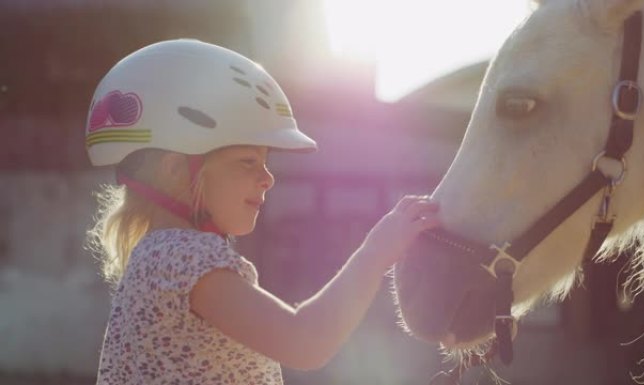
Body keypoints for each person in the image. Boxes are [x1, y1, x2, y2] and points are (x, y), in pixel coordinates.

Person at [86, 39, 440, 385]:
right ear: (176, 170)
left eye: (265, 163)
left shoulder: (158, 256)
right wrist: (377, 251)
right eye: (247, 162)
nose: (267, 178)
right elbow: (305, 343)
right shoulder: (183, 257)